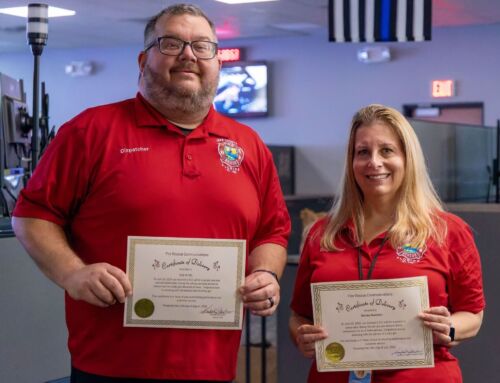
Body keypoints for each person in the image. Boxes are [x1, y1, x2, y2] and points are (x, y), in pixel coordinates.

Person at [12, 4, 290, 382]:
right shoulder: (90, 131)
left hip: (213, 367)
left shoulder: (248, 145)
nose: (189, 54)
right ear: (144, 60)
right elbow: (32, 215)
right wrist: (72, 273)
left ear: (218, 64)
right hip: (110, 366)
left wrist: (267, 276)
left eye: (202, 46)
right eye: (171, 43)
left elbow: (272, 231)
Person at [289, 104, 485, 383]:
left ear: (407, 158)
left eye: (387, 150)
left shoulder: (447, 231)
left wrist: (449, 327)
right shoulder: (322, 234)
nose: (374, 162)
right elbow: (299, 315)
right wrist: (302, 336)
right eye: (363, 152)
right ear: (351, 162)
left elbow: (473, 314)